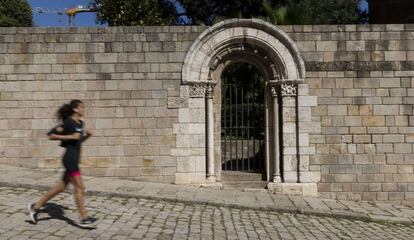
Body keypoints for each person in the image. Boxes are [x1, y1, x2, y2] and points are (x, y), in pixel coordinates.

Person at [28, 99, 96, 227]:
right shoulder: (67, 123)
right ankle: (84, 218)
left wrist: (87, 136)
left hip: (74, 158)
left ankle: (35, 207)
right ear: (75, 109)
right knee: (80, 188)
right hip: (69, 159)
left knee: (61, 187)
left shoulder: (80, 123)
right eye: (82, 107)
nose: (83, 109)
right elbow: (50, 135)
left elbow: (78, 141)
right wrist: (67, 136)